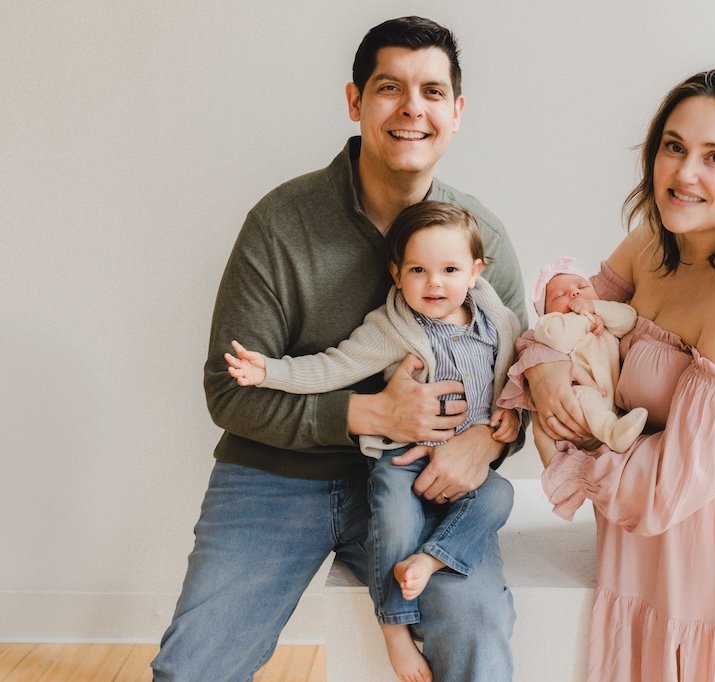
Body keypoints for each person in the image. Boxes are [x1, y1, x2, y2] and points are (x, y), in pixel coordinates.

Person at [151, 16, 527, 682]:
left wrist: (489, 442)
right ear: (355, 102)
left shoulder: (478, 236)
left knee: (476, 627)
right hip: (275, 477)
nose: (413, 108)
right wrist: (369, 414)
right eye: (390, 88)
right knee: (193, 667)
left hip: (422, 479)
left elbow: (518, 377)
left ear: (457, 112)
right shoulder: (282, 223)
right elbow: (228, 391)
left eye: (433, 92)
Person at [521, 66, 715, 681]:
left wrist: (561, 454)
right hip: (633, 543)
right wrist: (545, 373)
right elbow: (565, 323)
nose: (684, 174)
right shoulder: (653, 243)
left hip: (713, 554)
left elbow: (668, 488)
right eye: (674, 147)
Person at [224, 201, 521, 681]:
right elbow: (333, 365)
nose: (434, 283)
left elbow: (517, 377)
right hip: (404, 460)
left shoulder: (499, 322)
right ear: (396, 273)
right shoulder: (394, 327)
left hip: (468, 467)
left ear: (476, 272)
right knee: (393, 519)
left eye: (449, 269)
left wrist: (509, 416)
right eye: (418, 270)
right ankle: (395, 631)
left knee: (501, 496)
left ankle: (433, 558)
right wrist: (270, 371)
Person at [497, 257, 646, 455]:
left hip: (613, 399)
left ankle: (617, 429)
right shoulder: (549, 325)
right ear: (545, 312)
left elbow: (629, 318)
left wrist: (597, 309)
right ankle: (612, 433)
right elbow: (557, 338)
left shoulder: (604, 316)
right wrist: (585, 319)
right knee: (585, 397)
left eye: (581, 286)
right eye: (560, 296)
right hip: (577, 395)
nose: (574, 292)